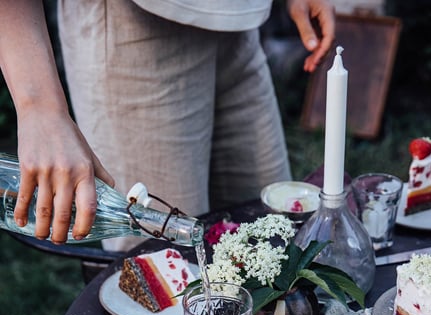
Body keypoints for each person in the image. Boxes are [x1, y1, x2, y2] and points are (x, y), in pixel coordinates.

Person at [0, 0, 335, 247]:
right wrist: (39, 107)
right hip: (135, 27)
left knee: (275, 245)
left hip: (240, 23)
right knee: (165, 277)